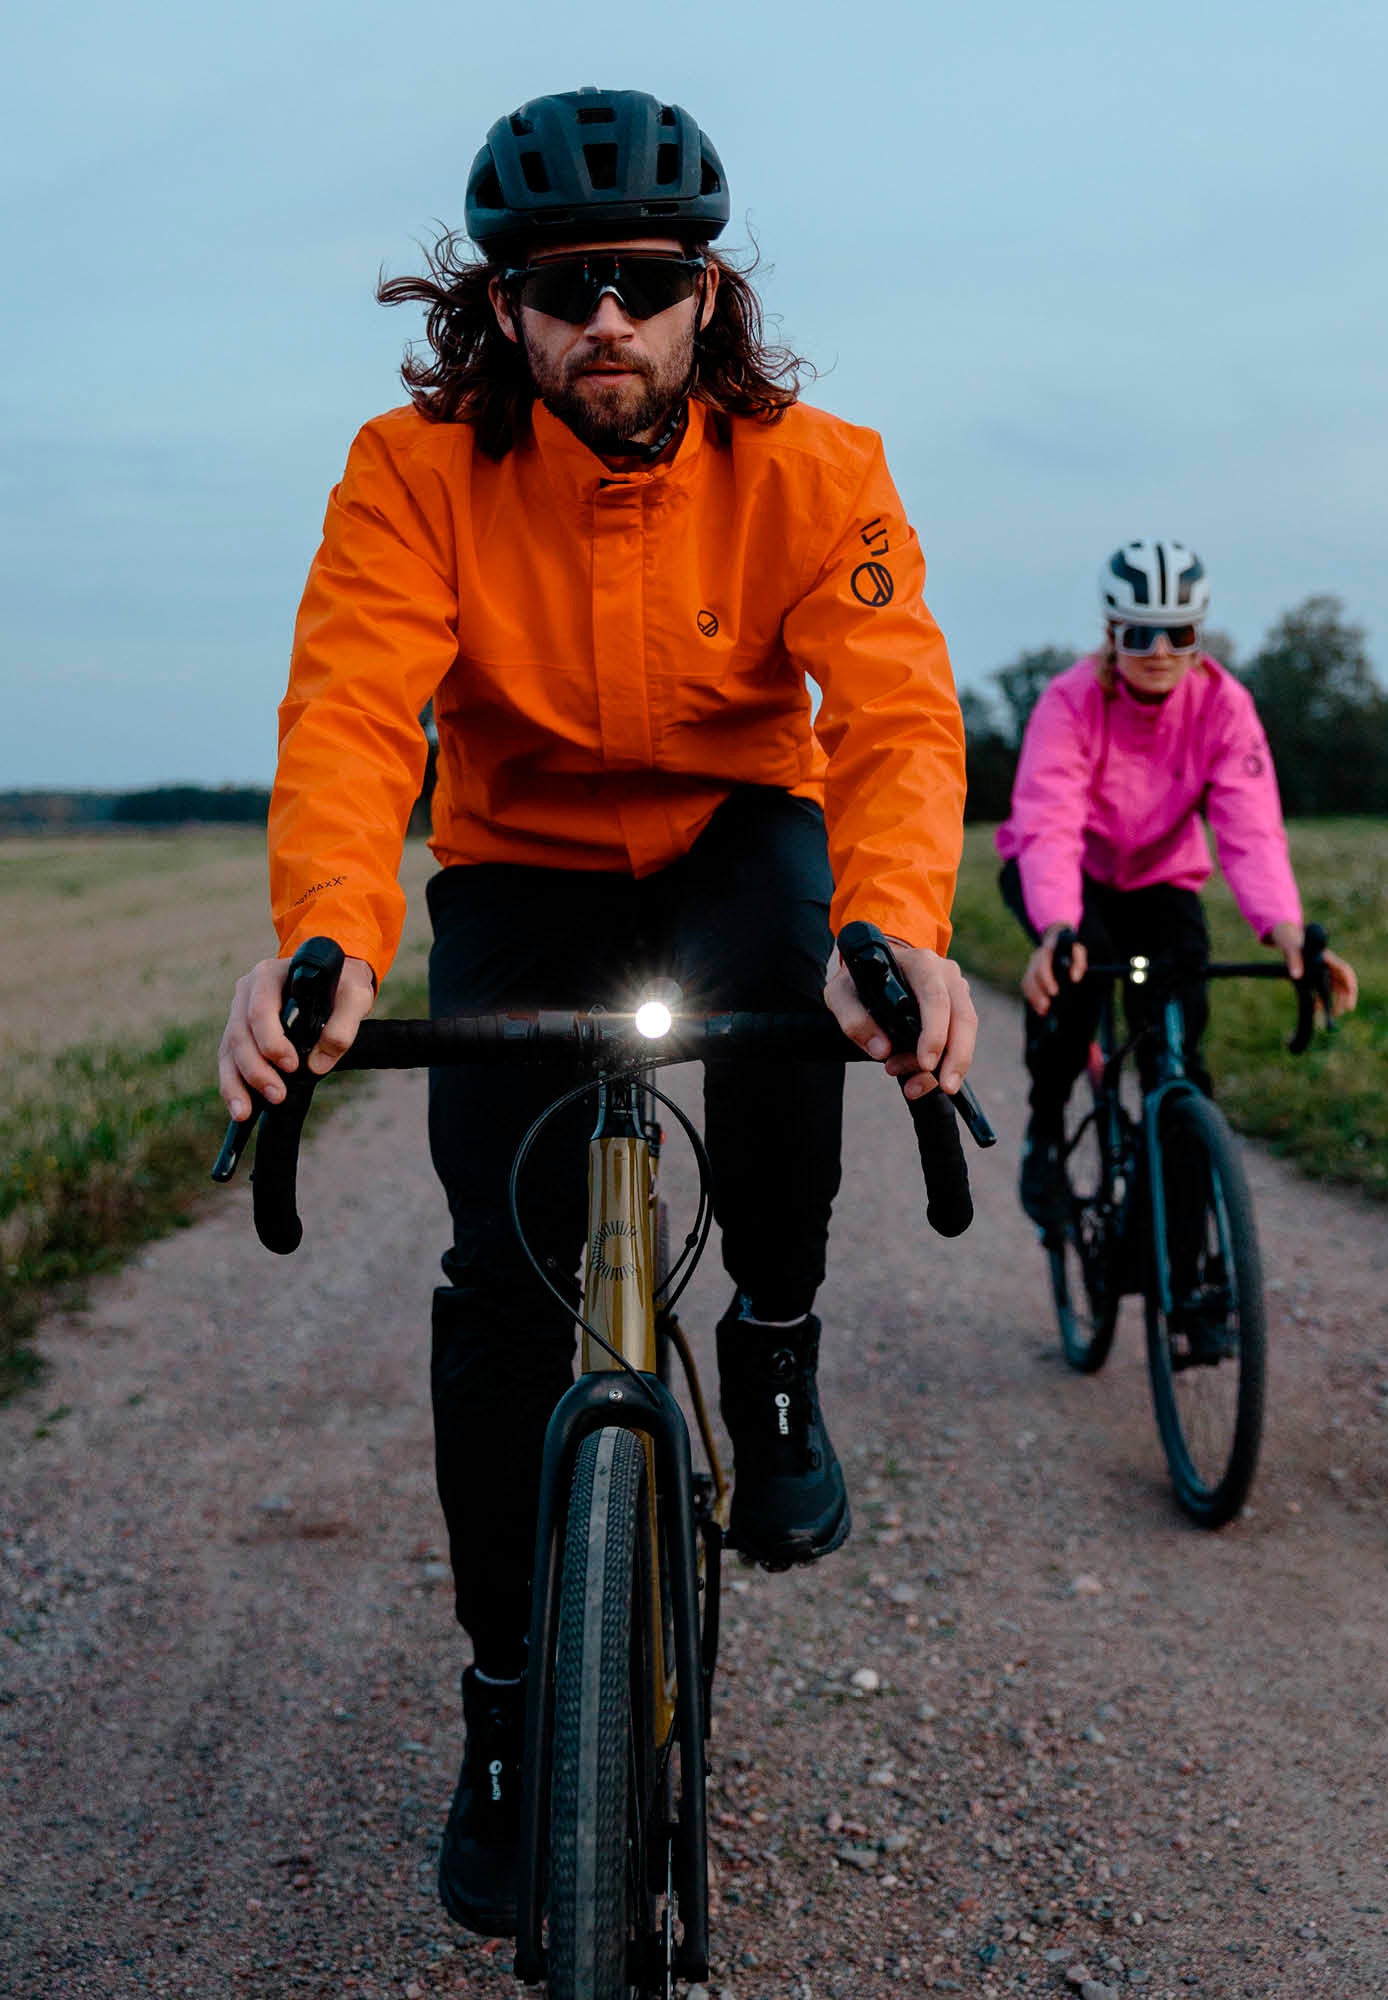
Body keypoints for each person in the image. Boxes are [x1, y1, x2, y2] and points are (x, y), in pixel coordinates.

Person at [216, 87, 974, 1939]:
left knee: (817, 993)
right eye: (566, 290)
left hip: (738, 834)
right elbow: (349, 715)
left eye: (643, 281)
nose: (607, 320)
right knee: (497, 1280)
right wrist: (323, 939)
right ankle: (501, 1707)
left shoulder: (821, 466)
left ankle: (774, 1342)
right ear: (502, 312)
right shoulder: (410, 473)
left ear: (707, 296)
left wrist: (901, 929)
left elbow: (889, 711)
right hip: (520, 867)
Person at [995, 538, 1357, 1226]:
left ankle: (1191, 1283)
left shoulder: (1224, 707)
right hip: (1067, 875)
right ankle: (1044, 1136)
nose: (1159, 650)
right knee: (1078, 985)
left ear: (1199, 635)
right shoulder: (1068, 702)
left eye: (1179, 633)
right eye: (1138, 633)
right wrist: (1057, 929)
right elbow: (1049, 823)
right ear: (1110, 632)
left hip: (1160, 877)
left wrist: (1284, 928)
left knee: (1180, 1052)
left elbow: (1250, 829)